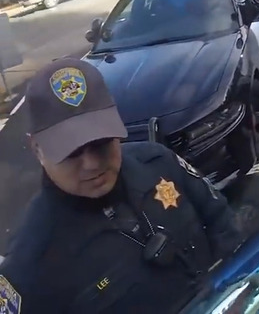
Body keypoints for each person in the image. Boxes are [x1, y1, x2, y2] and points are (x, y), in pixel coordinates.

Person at [0, 58, 242, 313]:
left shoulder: (158, 162)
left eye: (101, 141)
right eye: (71, 151)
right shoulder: (32, 261)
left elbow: (222, 224)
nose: (92, 163)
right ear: (37, 148)